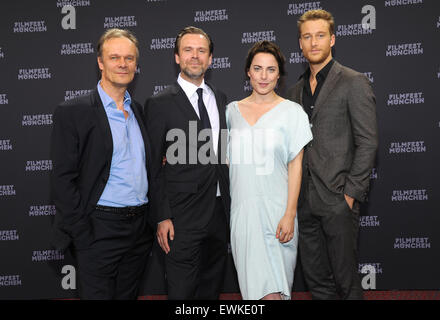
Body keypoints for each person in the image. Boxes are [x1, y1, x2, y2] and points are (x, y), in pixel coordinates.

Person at [50, 28, 154, 299]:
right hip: (99, 228)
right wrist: (83, 235)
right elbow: (62, 180)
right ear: (100, 63)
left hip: (139, 228)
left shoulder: (139, 111)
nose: (123, 64)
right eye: (115, 57)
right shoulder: (73, 112)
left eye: (129, 58)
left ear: (136, 64)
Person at [287, 9, 378, 300]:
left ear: (332, 40)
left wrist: (349, 195)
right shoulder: (294, 92)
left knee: (347, 283)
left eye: (320, 36)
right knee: (317, 284)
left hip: (338, 200)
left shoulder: (353, 81)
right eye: (307, 37)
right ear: (300, 44)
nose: (313, 42)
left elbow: (368, 142)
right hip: (304, 203)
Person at [144, 26, 230, 299]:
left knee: (211, 288)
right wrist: (162, 215)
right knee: (181, 292)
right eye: (188, 50)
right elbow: (153, 165)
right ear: (177, 58)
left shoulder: (221, 98)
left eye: (201, 51)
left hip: (219, 212)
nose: (195, 56)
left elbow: (222, 154)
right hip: (181, 217)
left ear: (211, 58)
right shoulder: (159, 103)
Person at [226, 40, 313, 300]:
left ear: (279, 75)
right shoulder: (230, 112)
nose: (264, 76)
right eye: (258, 68)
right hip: (243, 215)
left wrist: (289, 214)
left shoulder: (293, 113)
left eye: (271, 70)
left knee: (274, 294)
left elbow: (296, 165)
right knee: (255, 295)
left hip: (278, 216)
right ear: (248, 72)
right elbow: (222, 162)